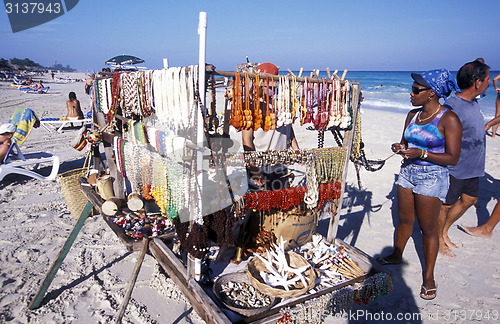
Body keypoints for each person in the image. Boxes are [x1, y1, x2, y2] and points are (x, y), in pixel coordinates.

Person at [377, 69, 462, 301]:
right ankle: (397, 254)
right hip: (407, 172)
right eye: (412, 89)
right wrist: (399, 147)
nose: (411, 93)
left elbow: (453, 157)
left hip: (432, 177)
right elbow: (405, 142)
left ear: (432, 93)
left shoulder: (448, 119)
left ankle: (429, 277)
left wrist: (422, 153)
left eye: (416, 90)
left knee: (428, 229)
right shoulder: (412, 115)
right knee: (404, 220)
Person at [438, 59, 491, 257]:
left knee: (470, 199)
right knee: (446, 205)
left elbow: (477, 75)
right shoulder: (453, 106)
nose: (488, 83)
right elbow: (441, 133)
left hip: (474, 166)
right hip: (457, 167)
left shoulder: (473, 100)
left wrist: (479, 63)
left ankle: (443, 230)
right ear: (477, 82)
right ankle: (438, 239)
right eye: (486, 79)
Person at [240, 62, 299, 191]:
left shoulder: (282, 104)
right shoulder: (251, 108)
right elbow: (246, 140)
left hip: (280, 164)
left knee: (282, 203)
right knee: (260, 205)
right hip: (260, 165)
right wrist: (254, 169)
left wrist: (296, 149)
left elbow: (288, 127)